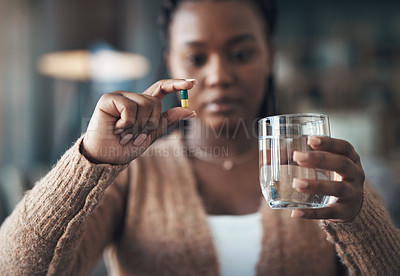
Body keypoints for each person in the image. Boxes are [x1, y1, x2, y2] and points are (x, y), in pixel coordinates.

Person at [0, 0, 399, 275]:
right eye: (196, 58)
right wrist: (87, 160)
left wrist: (359, 219)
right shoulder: (134, 174)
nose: (219, 76)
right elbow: (15, 267)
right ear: (171, 62)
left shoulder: (317, 169)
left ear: (269, 57)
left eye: (241, 54)